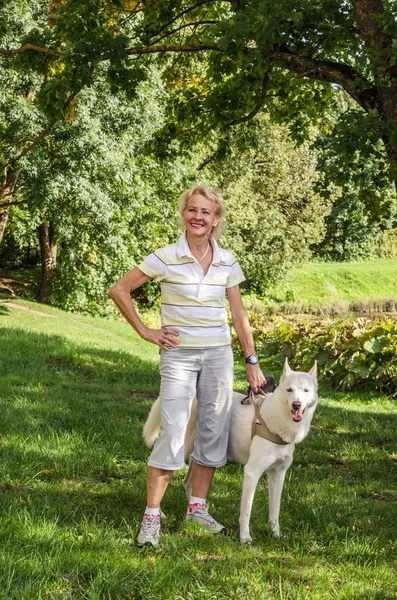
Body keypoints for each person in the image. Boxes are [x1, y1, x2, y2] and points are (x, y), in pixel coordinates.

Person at [109, 184, 266, 547]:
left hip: (218, 356)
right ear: (184, 214)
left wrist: (251, 360)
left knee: (213, 430)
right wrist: (147, 331)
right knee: (174, 429)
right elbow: (120, 289)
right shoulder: (165, 256)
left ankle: (197, 508)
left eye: (205, 212)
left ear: (216, 220)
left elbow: (239, 314)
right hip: (179, 356)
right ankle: (151, 517)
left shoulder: (227, 261)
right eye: (192, 210)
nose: (198, 217)